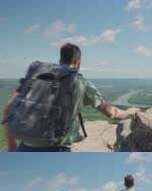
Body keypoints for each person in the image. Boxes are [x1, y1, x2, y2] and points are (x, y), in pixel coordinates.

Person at [2, 43, 140, 152]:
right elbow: (111, 113)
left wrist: (12, 147)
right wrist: (131, 111)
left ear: (60, 59)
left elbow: (8, 110)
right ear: (78, 62)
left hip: (24, 144)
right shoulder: (80, 82)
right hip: (56, 148)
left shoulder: (38, 74)